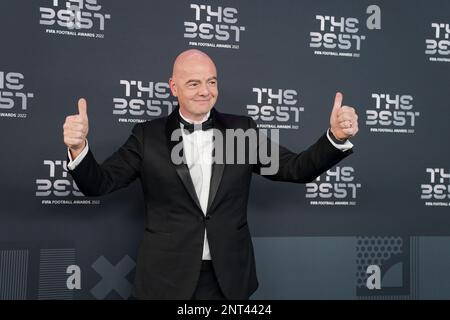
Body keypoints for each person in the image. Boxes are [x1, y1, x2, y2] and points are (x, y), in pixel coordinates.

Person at [63, 49, 358, 300]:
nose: (205, 91)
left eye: (211, 81)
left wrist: (335, 136)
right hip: (165, 279)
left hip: (228, 278)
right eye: (193, 83)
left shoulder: (241, 131)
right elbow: (98, 183)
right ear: (173, 87)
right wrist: (78, 148)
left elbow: (296, 168)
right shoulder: (146, 136)